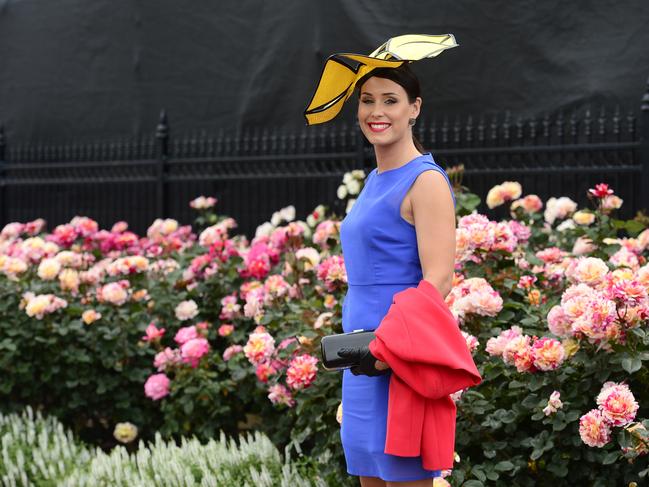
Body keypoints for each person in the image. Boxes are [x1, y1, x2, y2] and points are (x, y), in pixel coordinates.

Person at [304, 35, 459, 487]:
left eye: (391, 100)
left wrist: (392, 346)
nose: (377, 111)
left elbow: (439, 278)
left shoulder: (426, 181)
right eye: (367, 100)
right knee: (368, 472)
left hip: (398, 354)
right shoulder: (375, 179)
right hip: (360, 353)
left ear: (415, 108)